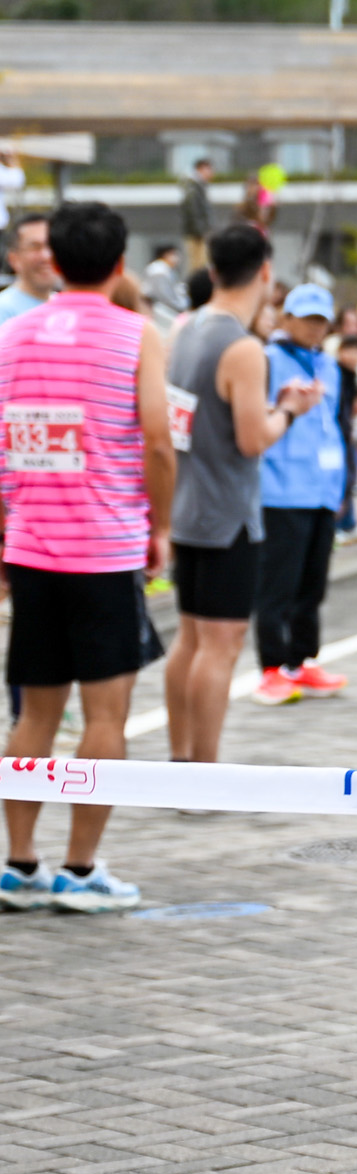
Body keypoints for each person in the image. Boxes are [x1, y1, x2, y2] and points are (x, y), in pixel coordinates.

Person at [0, 201, 175, 911]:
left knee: (34, 715)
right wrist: (159, 528)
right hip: (104, 551)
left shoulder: (14, 333)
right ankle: (79, 870)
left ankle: (17, 863)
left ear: (52, 259)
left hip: (32, 547)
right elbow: (159, 442)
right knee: (106, 715)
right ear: (119, 262)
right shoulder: (137, 333)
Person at [163, 224, 320, 762]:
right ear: (266, 273)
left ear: (212, 271)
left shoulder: (185, 329)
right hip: (227, 513)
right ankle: (202, 770)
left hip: (187, 507)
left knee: (189, 639)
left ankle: (180, 757)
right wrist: (289, 411)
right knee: (221, 644)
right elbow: (254, 439)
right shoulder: (242, 346)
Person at [253, 283, 351, 705]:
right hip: (280, 488)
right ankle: (273, 667)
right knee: (279, 584)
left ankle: (302, 660)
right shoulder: (266, 359)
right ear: (285, 318)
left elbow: (336, 425)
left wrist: (341, 484)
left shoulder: (329, 366)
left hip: (321, 488)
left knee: (313, 583)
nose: (314, 327)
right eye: (306, 318)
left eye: (321, 320)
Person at [0, 214, 57, 325]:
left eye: (50, 246)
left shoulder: (64, 306)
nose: (46, 256)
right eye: (35, 247)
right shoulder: (4, 311)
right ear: (13, 259)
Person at [142, 241, 189, 335]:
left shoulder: (166, 269)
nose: (176, 257)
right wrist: (182, 306)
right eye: (173, 254)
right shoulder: (159, 270)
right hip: (159, 308)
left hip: (164, 307)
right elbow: (165, 296)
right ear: (165, 254)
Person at [179, 156, 214, 261]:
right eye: (209, 169)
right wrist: (201, 231)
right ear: (201, 168)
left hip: (198, 232)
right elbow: (193, 211)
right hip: (196, 235)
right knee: (198, 263)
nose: (211, 173)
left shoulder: (198, 186)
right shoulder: (193, 187)